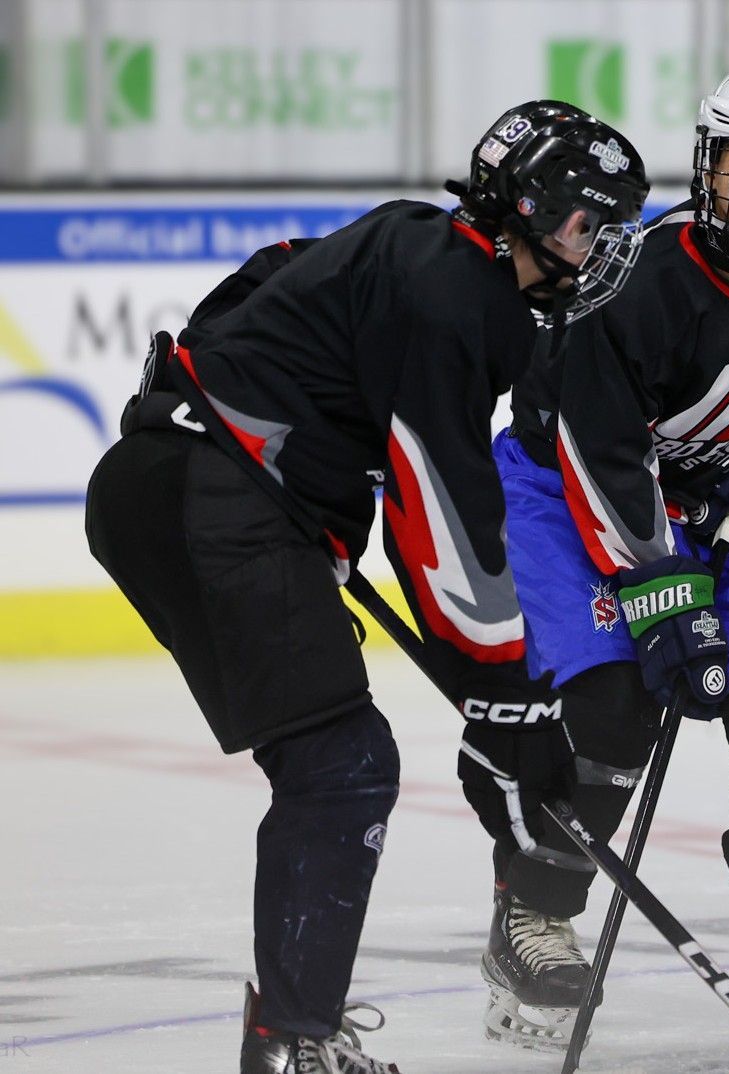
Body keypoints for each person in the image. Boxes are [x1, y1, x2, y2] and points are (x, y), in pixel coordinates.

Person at [84, 100, 649, 1074]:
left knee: (329, 760)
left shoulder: (408, 238)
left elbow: (263, 278)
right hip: (213, 500)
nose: (596, 250)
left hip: (158, 480)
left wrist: (247, 434)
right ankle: (299, 1047)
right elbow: (440, 511)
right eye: (586, 224)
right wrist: (512, 694)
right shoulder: (466, 296)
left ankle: (290, 1039)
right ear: (530, 207)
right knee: (343, 768)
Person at [474, 61, 729, 1049]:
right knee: (614, 711)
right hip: (565, 487)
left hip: (685, 485)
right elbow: (595, 449)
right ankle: (533, 914)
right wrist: (665, 595)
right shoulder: (637, 281)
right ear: (707, 166)